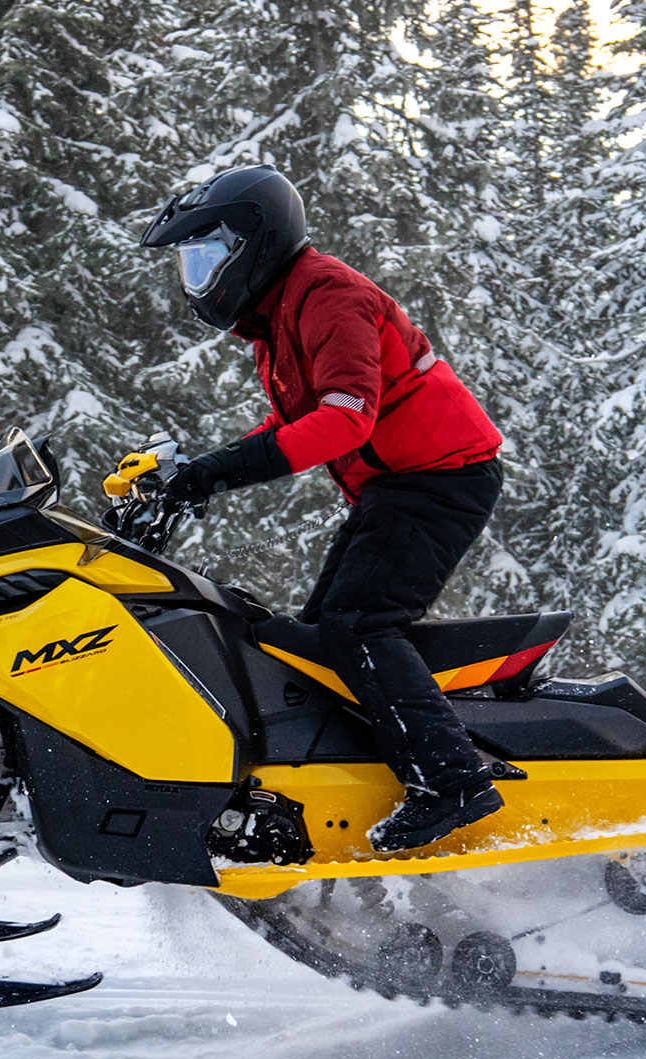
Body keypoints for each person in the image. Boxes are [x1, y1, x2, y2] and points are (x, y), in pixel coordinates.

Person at [137, 164, 506, 854]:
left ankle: (453, 779)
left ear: (253, 242)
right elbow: (299, 420)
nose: (197, 277)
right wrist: (195, 474)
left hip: (440, 478)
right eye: (190, 263)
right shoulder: (282, 311)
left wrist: (218, 471)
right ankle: (362, 774)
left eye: (205, 256)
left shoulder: (327, 296)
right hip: (399, 484)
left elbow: (343, 421)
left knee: (359, 625)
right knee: (314, 637)